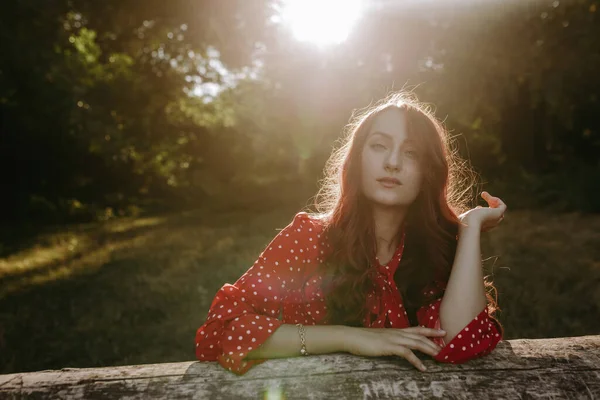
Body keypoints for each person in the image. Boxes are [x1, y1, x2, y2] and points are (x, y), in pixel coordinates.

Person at [194, 92, 506, 375]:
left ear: (428, 173)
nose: (392, 162)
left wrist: (470, 226)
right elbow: (222, 333)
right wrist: (350, 337)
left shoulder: (435, 249)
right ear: (356, 160)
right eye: (379, 146)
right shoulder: (307, 238)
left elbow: (460, 342)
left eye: (411, 153)